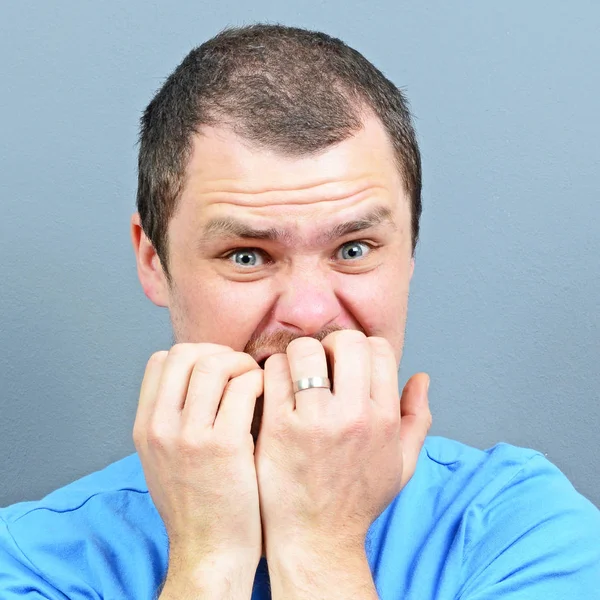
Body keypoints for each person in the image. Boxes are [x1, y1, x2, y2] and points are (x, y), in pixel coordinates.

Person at [1, 23, 599, 600]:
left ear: (409, 252)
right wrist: (210, 559)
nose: (310, 314)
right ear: (155, 262)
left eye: (354, 249)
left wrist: (320, 543)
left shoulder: (526, 530)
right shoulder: (30, 562)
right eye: (247, 255)